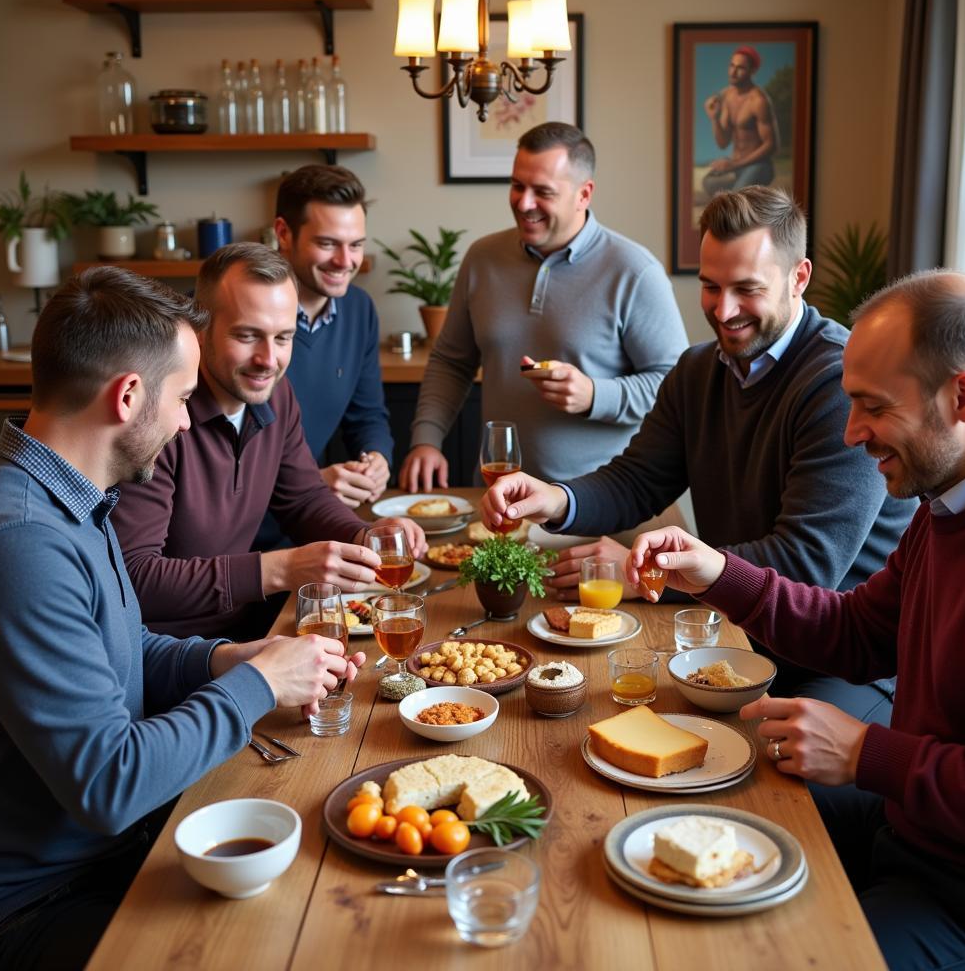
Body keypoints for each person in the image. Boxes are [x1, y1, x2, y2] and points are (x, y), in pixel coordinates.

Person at [626, 271, 965, 970]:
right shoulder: (949, 503)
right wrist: (717, 572)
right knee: (679, 828)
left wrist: (868, 752)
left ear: (964, 398)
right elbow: (860, 632)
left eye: (872, 407)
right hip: (911, 828)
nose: (851, 432)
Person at [0, 267, 363, 970]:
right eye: (185, 398)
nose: (191, 421)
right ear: (129, 396)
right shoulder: (24, 542)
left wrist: (237, 659)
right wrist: (254, 689)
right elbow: (109, 782)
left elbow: (124, 648)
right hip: (41, 901)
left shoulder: (70, 497)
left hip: (112, 850)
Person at [482, 186, 915, 722]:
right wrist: (555, 497)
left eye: (746, 289)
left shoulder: (838, 383)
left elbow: (807, 566)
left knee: (774, 780)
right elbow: (639, 480)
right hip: (737, 630)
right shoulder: (695, 370)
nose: (723, 309)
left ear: (799, 278)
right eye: (710, 286)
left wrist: (646, 578)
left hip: (839, 658)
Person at [112, 242, 424, 641]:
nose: (268, 359)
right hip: (163, 657)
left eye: (283, 338)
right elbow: (134, 579)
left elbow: (303, 498)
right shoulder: (159, 415)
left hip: (257, 630)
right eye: (247, 335)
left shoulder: (276, 393)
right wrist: (281, 568)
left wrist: (363, 535)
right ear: (200, 332)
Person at [400, 121, 688, 489]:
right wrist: (427, 438)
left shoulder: (634, 271)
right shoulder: (482, 258)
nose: (524, 203)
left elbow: (674, 386)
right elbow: (451, 361)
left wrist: (595, 395)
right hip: (497, 495)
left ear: (584, 194)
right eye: (517, 185)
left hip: (600, 502)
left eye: (543, 191)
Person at [274, 164, 393, 508]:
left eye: (355, 245)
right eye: (328, 244)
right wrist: (309, 483)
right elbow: (214, 454)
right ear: (283, 233)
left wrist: (376, 458)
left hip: (310, 519)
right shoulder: (235, 310)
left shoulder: (360, 310)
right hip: (234, 537)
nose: (345, 261)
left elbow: (368, 416)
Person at [701, 45, 779, 198]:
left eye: (740, 68)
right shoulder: (726, 96)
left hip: (759, 166)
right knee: (708, 183)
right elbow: (723, 143)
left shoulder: (758, 101)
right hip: (736, 165)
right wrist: (714, 119)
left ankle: (741, 197)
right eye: (732, 66)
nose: (733, 72)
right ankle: (743, 195)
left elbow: (771, 145)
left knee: (734, 200)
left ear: (752, 71)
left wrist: (732, 165)